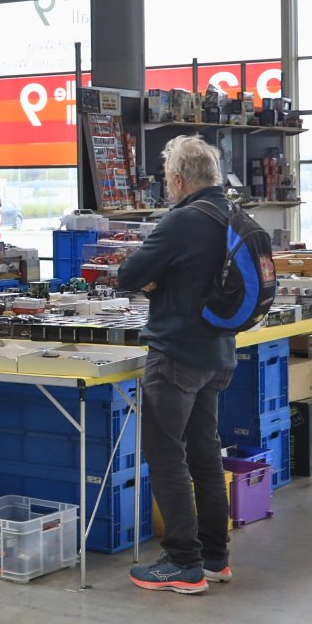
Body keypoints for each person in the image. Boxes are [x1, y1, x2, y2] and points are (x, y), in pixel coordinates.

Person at [116, 135, 239, 595]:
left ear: (180, 180)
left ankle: (183, 562)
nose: (168, 188)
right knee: (205, 452)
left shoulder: (183, 220)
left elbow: (128, 275)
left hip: (177, 354)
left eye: (168, 181)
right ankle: (215, 557)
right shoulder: (231, 214)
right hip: (218, 352)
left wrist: (155, 279)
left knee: (167, 456)